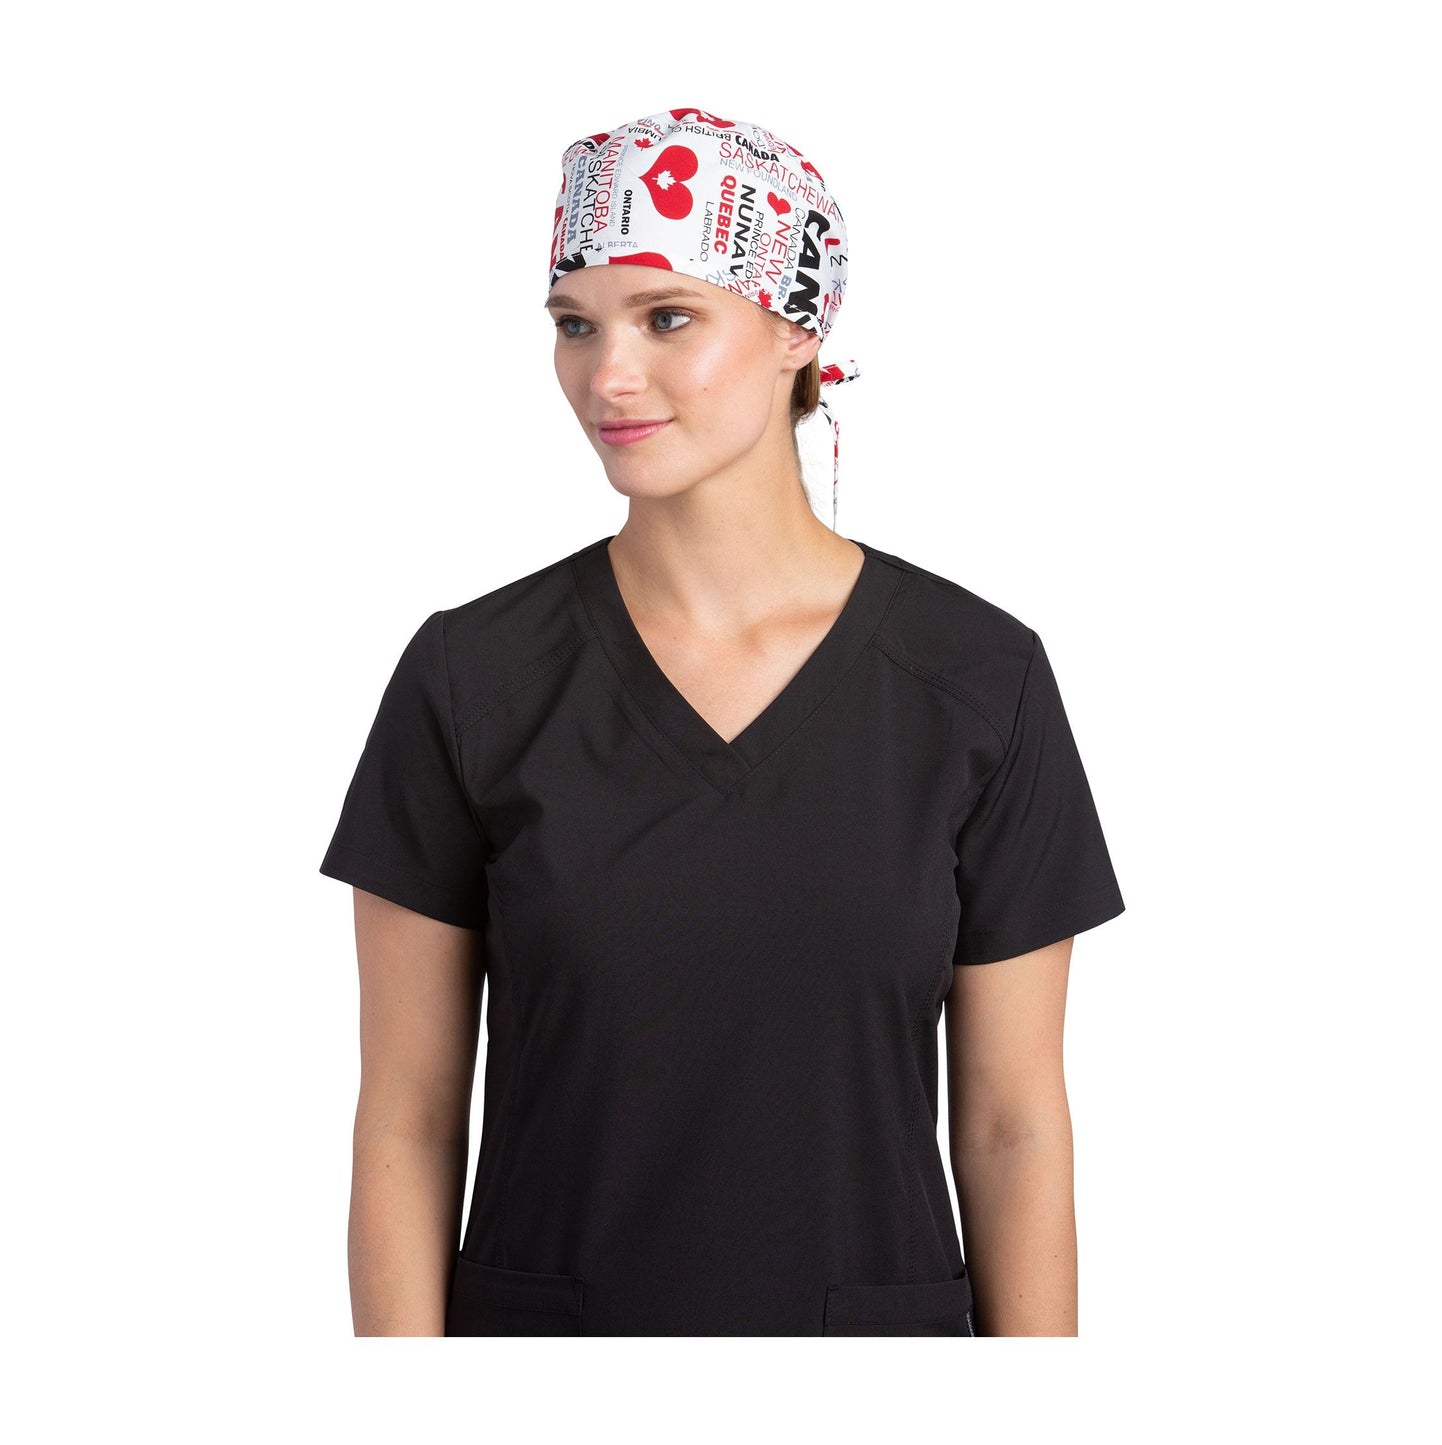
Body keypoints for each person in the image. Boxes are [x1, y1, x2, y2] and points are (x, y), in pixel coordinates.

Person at [319, 106, 1125, 1337]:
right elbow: (408, 1116)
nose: (607, 375)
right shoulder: (471, 677)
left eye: (666, 317)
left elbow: (1013, 1127)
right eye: (574, 324)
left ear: (797, 328)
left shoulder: (974, 680)